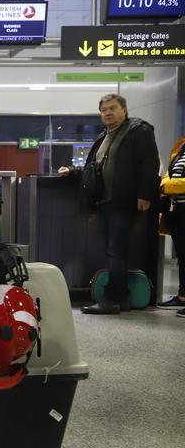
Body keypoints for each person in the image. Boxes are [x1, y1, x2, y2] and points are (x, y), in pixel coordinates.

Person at [58, 94, 159, 314]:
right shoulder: (106, 135)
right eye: (104, 110)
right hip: (106, 202)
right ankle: (119, 298)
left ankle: (113, 298)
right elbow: (96, 168)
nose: (108, 113)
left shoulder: (138, 131)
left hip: (124, 200)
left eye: (113, 108)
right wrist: (74, 172)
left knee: (115, 250)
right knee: (114, 250)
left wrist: (145, 194)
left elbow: (150, 163)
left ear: (124, 110)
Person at [160, 139, 185, 316]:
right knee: (183, 255)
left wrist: (168, 186)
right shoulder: (181, 147)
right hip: (177, 210)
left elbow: (169, 183)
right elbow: (169, 174)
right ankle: (182, 296)